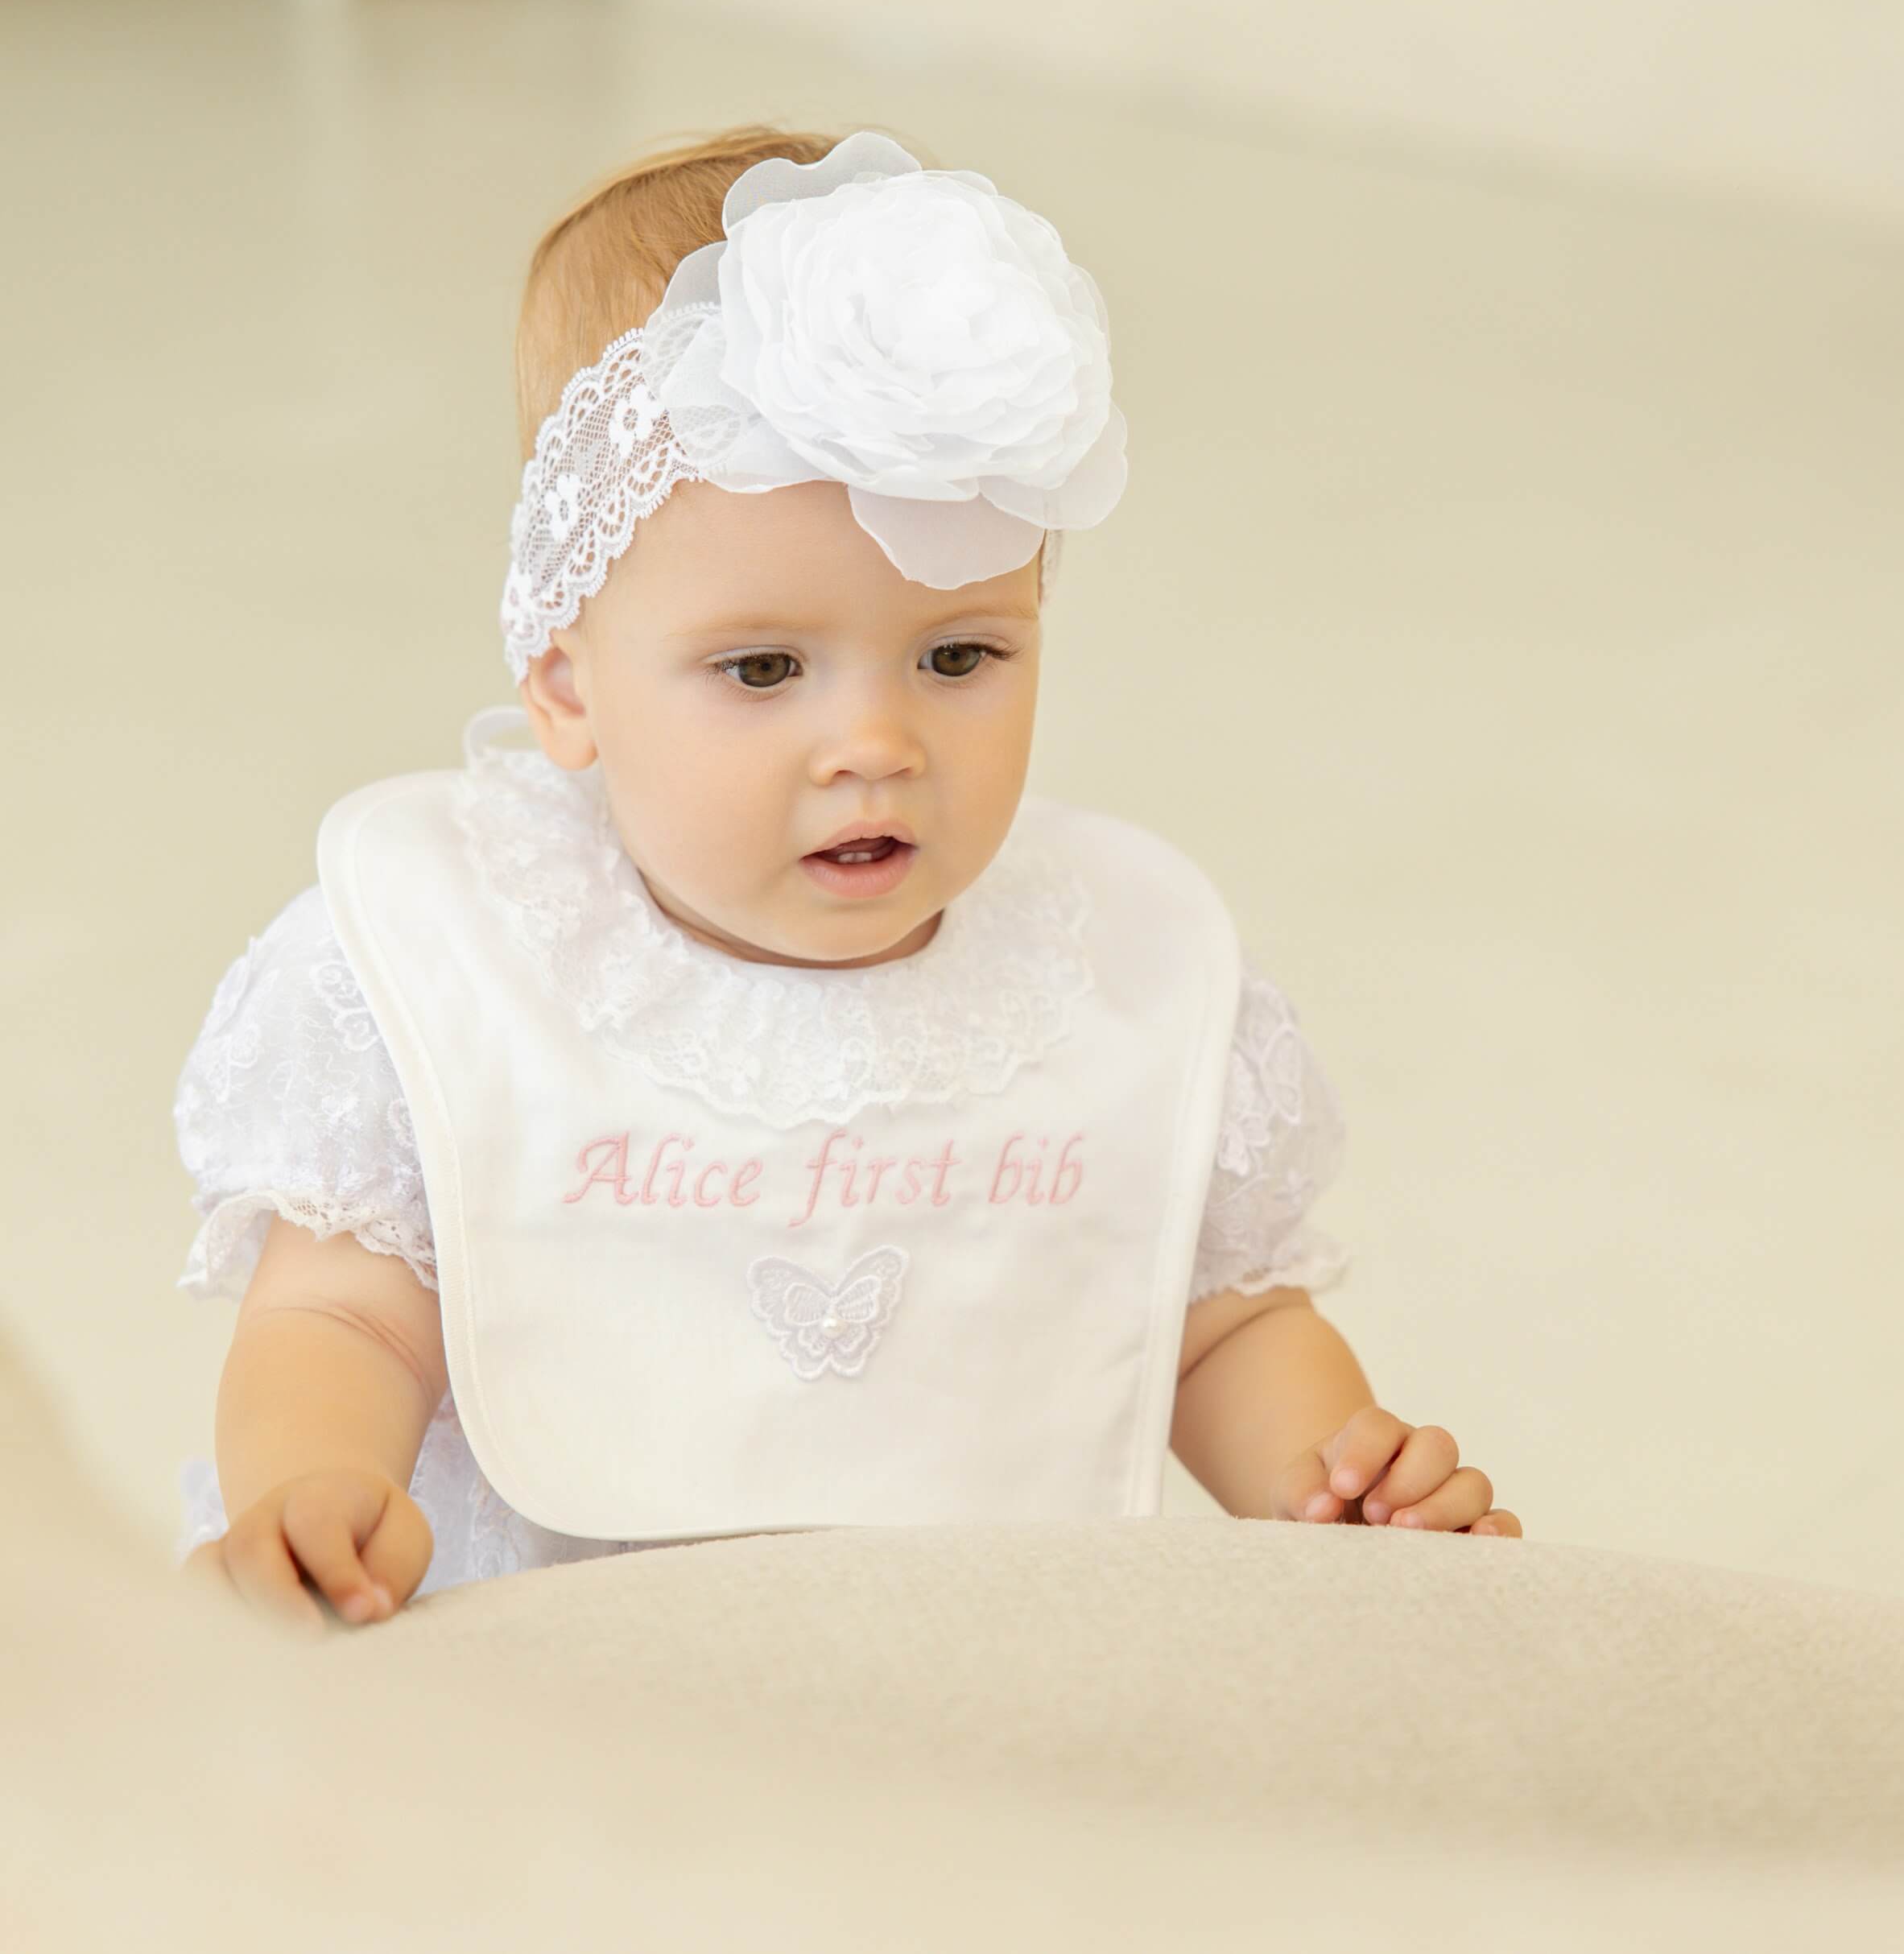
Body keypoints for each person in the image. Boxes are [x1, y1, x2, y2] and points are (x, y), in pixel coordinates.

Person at [174, 123, 1522, 1638]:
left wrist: (1326, 1478)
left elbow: (1196, 1327)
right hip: (542, 1678)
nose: (874, 743)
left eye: (959, 655)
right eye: (762, 668)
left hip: (963, 1681)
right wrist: (309, 1481)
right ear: (567, 681)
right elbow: (341, 1311)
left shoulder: (1111, 981)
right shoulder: (458, 966)